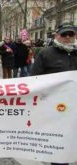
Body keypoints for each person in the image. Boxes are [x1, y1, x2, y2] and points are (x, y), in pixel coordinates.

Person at [31, 23, 77, 165]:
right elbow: (34, 78)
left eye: (71, 34)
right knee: (59, 145)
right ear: (57, 35)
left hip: (75, 105)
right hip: (55, 108)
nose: (68, 37)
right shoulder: (46, 53)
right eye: (64, 34)